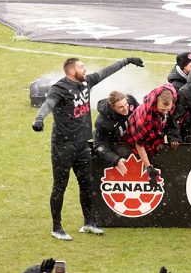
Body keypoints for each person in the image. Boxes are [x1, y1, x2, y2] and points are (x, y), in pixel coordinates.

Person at [31, 56, 143, 240]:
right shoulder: (59, 89)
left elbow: (106, 72)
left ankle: (88, 223)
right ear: (71, 71)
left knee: (87, 184)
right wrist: (39, 119)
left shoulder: (86, 82)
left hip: (83, 144)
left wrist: (127, 61)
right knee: (60, 186)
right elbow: (48, 104)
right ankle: (56, 228)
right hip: (63, 146)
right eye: (81, 67)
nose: (85, 70)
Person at [125, 84, 178, 187]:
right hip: (140, 136)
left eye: (168, 109)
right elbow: (139, 144)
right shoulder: (144, 117)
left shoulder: (172, 95)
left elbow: (170, 118)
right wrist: (148, 167)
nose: (166, 112)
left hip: (157, 131)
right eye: (162, 110)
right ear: (155, 103)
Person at [93, 91, 139, 174]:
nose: (125, 108)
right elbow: (99, 144)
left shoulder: (131, 100)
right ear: (113, 107)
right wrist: (115, 160)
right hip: (115, 147)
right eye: (121, 107)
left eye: (126, 104)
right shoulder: (102, 122)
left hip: (132, 143)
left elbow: (142, 116)